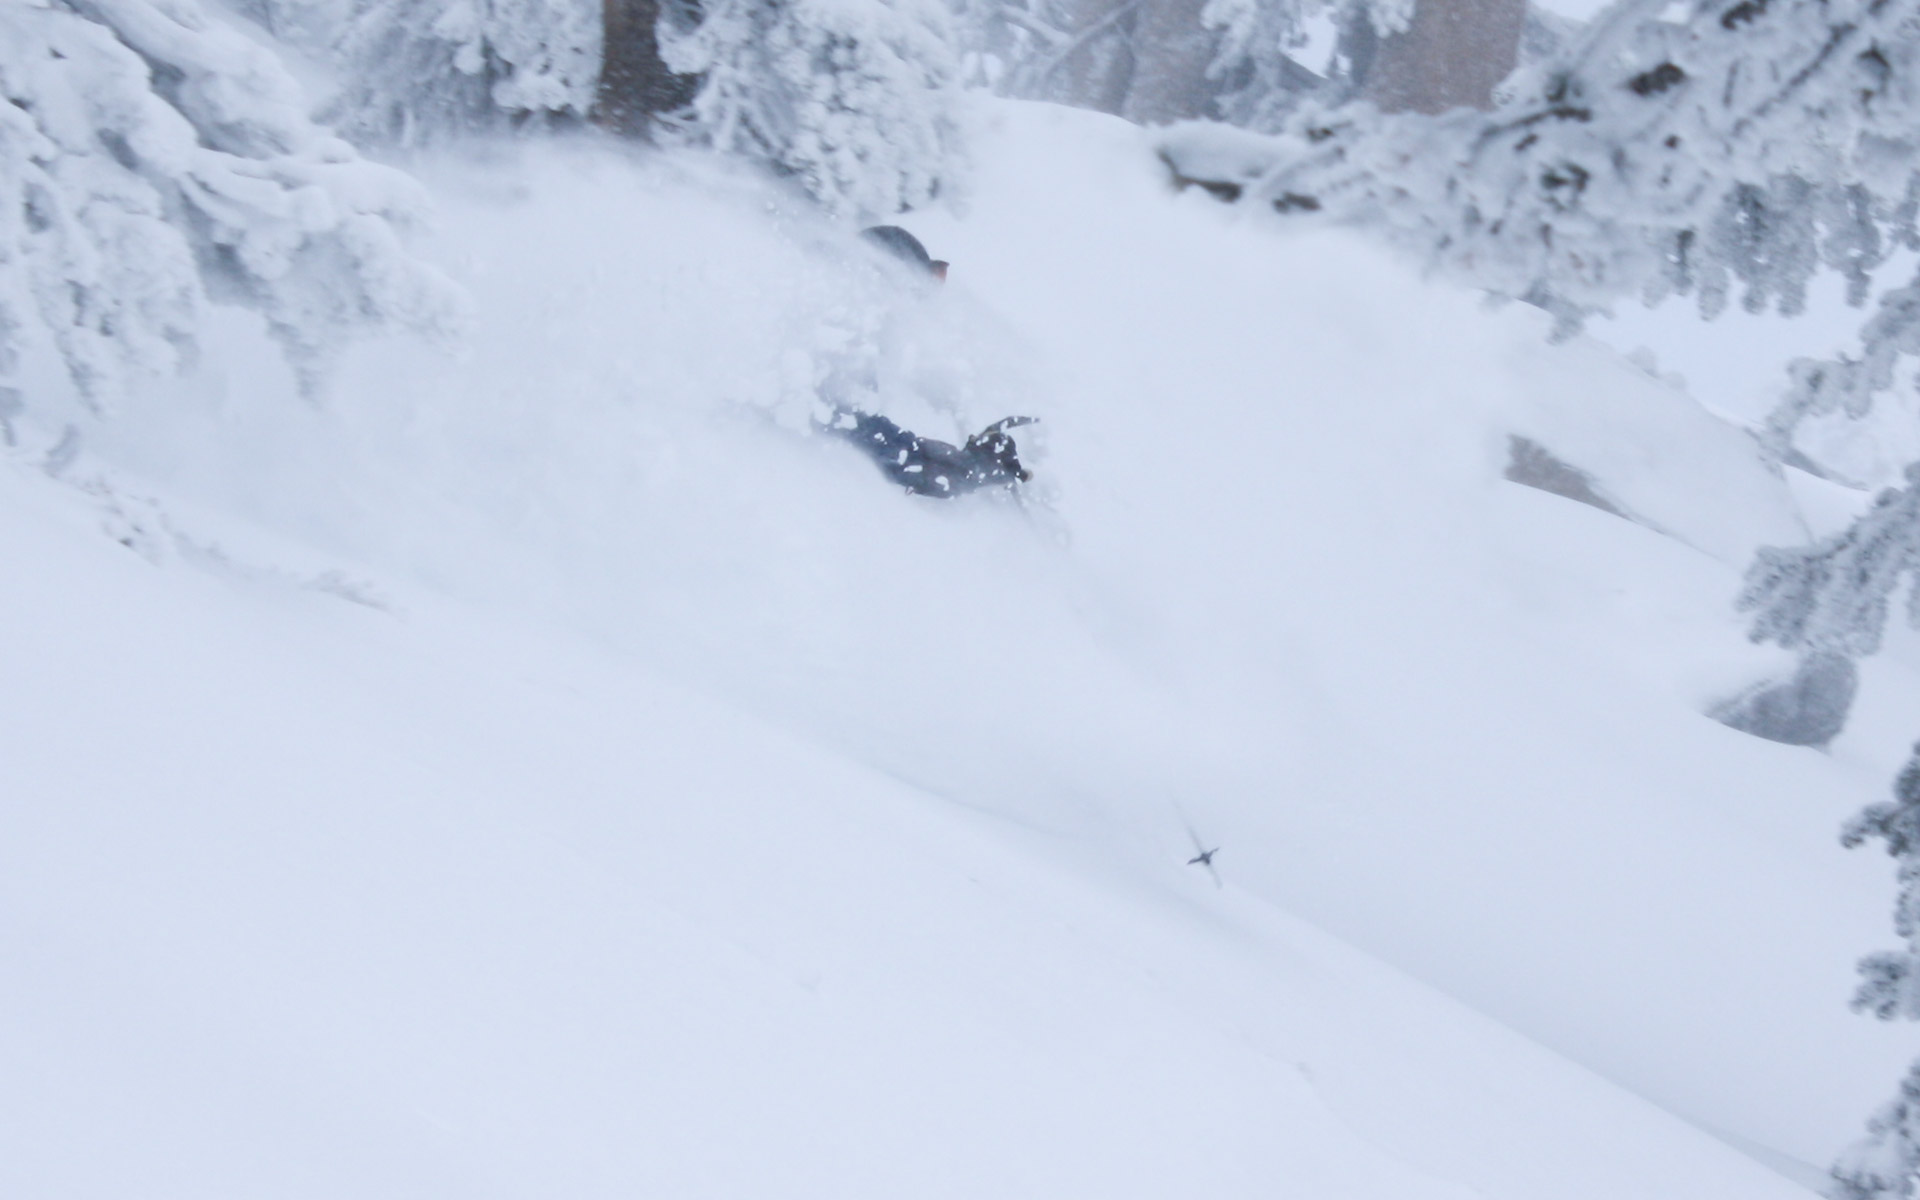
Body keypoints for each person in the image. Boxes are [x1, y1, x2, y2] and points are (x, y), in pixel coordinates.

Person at [814, 225, 1037, 499]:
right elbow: (870, 434)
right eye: (910, 287)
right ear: (885, 276)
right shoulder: (840, 333)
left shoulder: (847, 318)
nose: (910, 302)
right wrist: (969, 470)